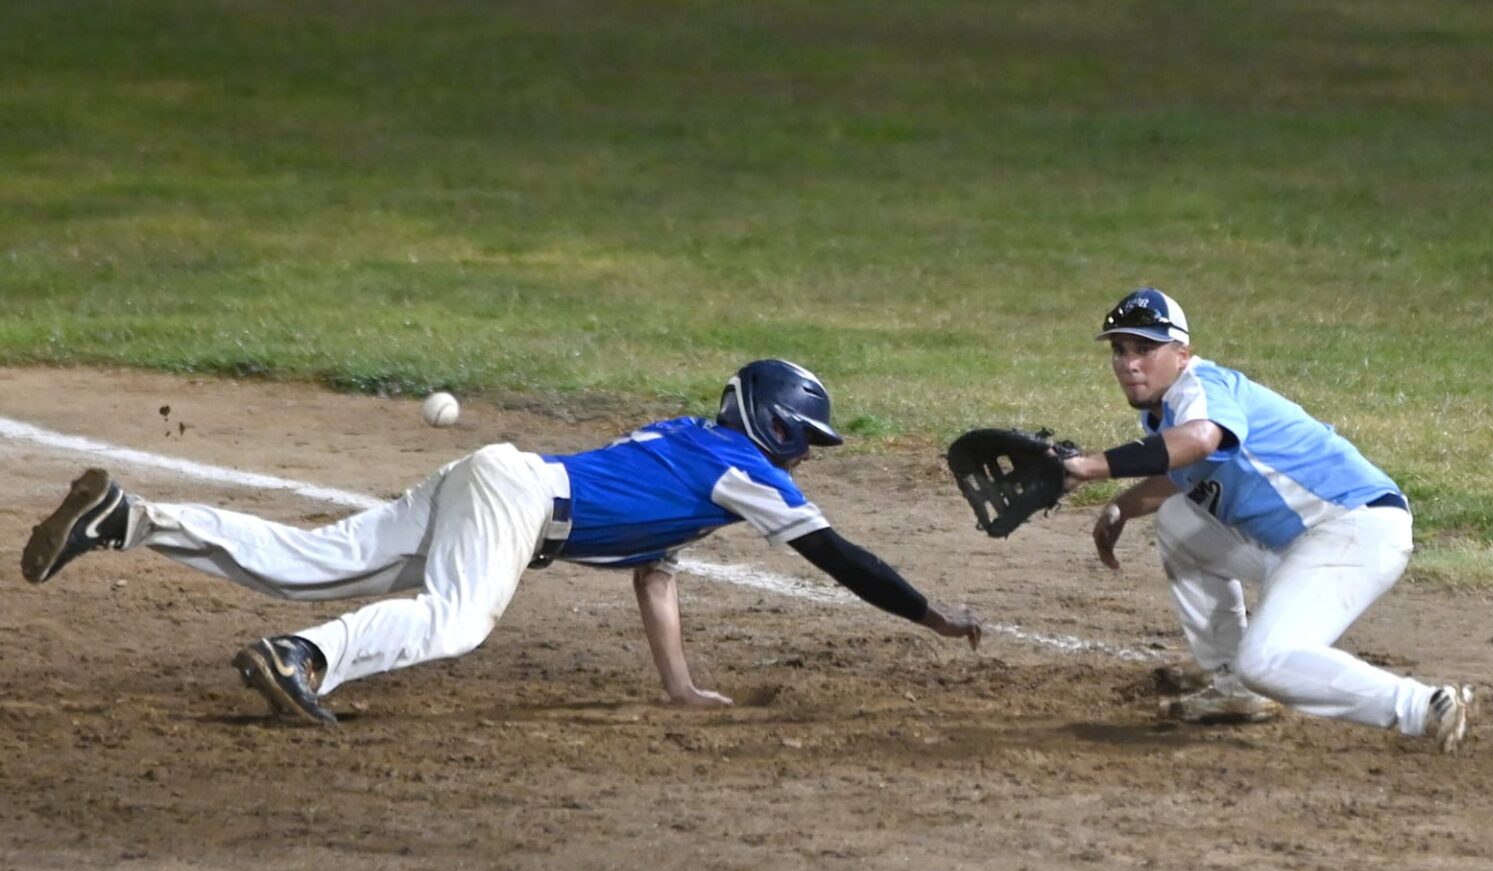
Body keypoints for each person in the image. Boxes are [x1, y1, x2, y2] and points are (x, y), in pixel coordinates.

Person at [21, 359, 982, 724]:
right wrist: (927, 611)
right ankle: (304, 659)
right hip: (516, 503)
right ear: (774, 424)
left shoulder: (696, 451)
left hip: (498, 479)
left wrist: (678, 685)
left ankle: (134, 519)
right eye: (805, 438)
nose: (806, 457)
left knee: (318, 559)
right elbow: (839, 556)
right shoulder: (750, 473)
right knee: (458, 622)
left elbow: (655, 573)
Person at [1059, 287, 1472, 753]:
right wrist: (1123, 505)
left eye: (1145, 349)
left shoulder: (1202, 389)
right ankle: (1233, 687)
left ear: (1182, 354)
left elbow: (1200, 441)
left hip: (1354, 530)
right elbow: (1188, 469)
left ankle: (1424, 705)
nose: (1129, 363)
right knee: (1178, 521)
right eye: (1120, 350)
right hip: (1299, 543)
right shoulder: (1167, 412)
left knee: (1268, 661)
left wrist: (1092, 466)